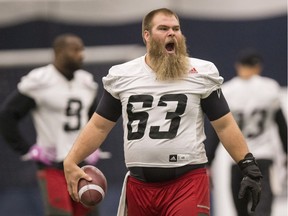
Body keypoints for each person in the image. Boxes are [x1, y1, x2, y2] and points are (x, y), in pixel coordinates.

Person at [63, 8, 263, 216]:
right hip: (139, 186)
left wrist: (247, 163)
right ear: (146, 36)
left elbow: (224, 124)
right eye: (164, 28)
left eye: (176, 28)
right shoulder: (123, 76)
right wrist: (71, 160)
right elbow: (99, 125)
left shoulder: (200, 73)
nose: (172, 33)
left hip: (187, 183)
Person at [0, 33, 105, 216]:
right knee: (59, 214)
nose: (81, 54)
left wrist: (95, 145)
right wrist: (27, 149)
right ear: (58, 52)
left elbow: (95, 120)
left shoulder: (86, 81)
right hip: (53, 166)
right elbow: (7, 116)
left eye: (81, 49)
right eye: (75, 50)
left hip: (82, 163)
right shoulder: (40, 80)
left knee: (89, 214)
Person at [206, 48, 287, 216]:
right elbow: (281, 125)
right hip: (263, 158)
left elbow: (219, 129)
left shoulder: (228, 90)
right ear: (258, 67)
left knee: (241, 211)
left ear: (238, 66)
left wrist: (208, 162)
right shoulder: (269, 87)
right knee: (262, 210)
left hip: (238, 159)